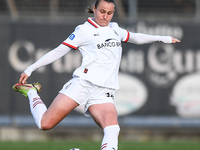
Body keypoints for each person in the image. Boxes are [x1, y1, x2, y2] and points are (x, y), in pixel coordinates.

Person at [13, 0, 180, 149]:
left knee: (113, 128)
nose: (105, 16)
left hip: (104, 92)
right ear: (94, 9)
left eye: (109, 13)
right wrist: (30, 68)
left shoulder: (115, 29)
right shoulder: (83, 30)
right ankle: (31, 92)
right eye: (102, 11)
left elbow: (135, 37)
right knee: (45, 124)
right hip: (82, 85)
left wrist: (162, 38)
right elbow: (58, 51)